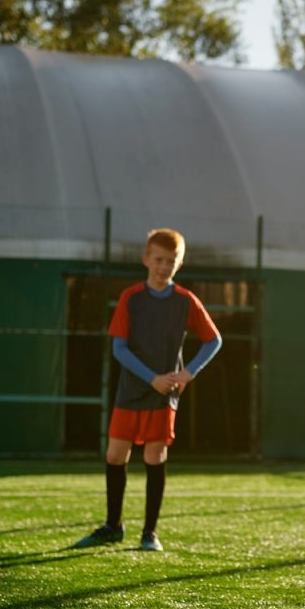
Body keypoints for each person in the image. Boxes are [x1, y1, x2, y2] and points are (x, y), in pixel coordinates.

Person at [74, 228, 221, 553]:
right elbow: (119, 349)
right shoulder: (131, 297)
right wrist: (151, 377)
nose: (163, 266)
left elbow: (214, 340)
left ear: (179, 264)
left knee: (155, 456)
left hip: (163, 395)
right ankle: (113, 526)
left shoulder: (185, 301)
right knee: (115, 455)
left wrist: (187, 372)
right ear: (146, 259)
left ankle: (150, 533)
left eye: (171, 261)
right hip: (131, 391)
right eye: (158, 259)